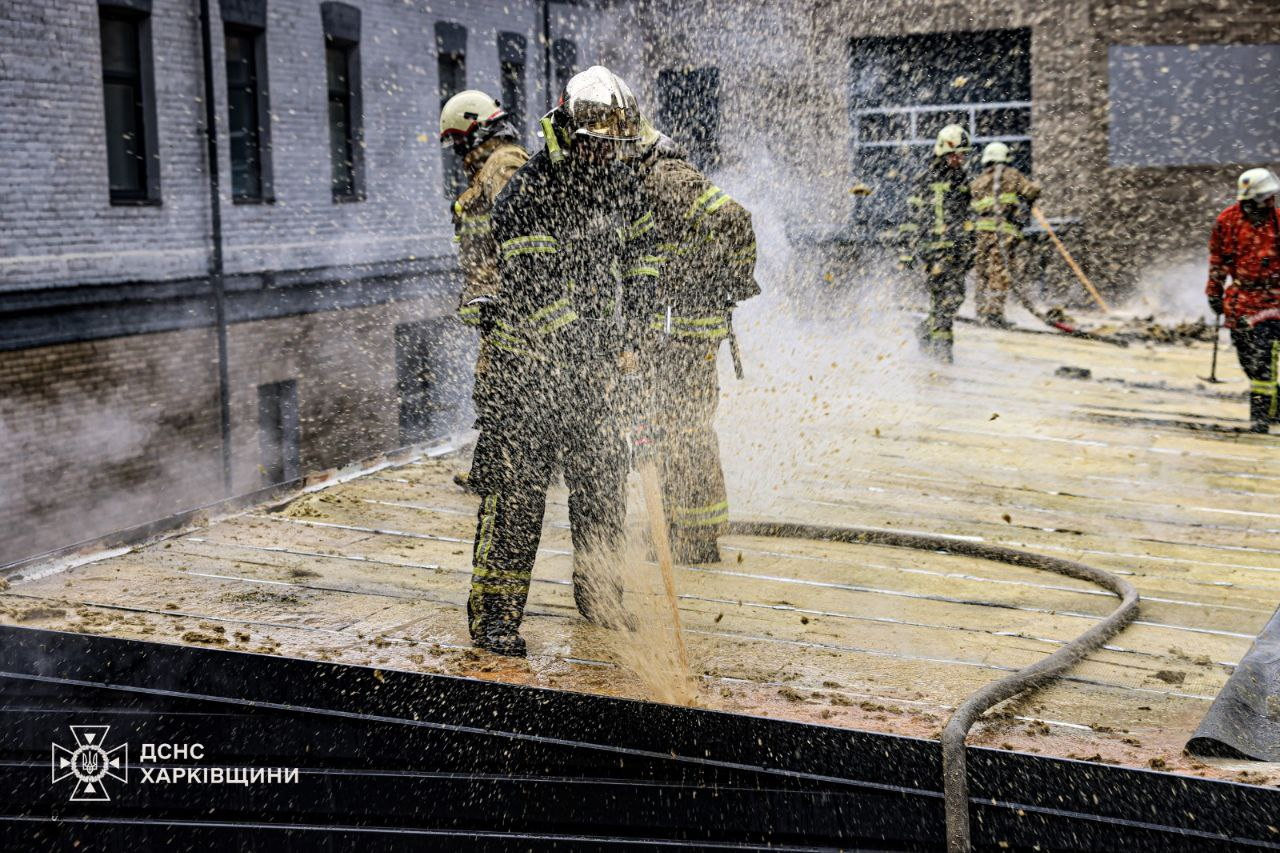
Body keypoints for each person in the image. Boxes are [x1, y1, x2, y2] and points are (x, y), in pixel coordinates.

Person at [463, 66, 657, 657]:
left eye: (616, 148)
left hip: (595, 369)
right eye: (598, 147)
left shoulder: (622, 182)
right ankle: (495, 618)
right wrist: (597, 357)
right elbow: (540, 295)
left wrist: (639, 333)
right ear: (572, 134)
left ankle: (601, 599)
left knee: (601, 490)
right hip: (528, 372)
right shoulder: (530, 193)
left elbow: (643, 257)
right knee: (517, 498)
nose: (607, 158)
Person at [635, 120, 758, 564]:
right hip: (677, 327)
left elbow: (734, 216)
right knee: (671, 427)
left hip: (685, 330)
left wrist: (734, 279)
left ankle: (696, 538)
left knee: (685, 429)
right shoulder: (654, 175)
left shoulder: (665, 176)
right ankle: (682, 527)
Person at [438, 91, 530, 490]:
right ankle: (495, 470)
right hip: (497, 304)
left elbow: (525, 235)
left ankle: (505, 473)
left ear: (475, 133)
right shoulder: (490, 168)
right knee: (496, 388)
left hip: (509, 305)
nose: (458, 153)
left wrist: (506, 294)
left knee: (498, 388)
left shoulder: (503, 164)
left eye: (459, 142)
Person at [1207, 167, 1280, 433]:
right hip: (1241, 300)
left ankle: (1261, 417)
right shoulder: (1227, 222)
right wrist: (1213, 291)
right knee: (1247, 357)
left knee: (1264, 357)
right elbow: (1218, 261)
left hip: (1274, 300)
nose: (1269, 202)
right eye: (1264, 197)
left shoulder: (1278, 220)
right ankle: (1276, 404)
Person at [898, 124, 976, 362]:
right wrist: (907, 253)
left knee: (950, 299)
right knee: (947, 298)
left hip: (956, 250)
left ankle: (929, 337)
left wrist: (970, 245)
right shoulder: (925, 179)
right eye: (956, 154)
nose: (960, 159)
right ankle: (943, 354)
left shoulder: (961, 180)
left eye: (963, 155)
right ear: (944, 151)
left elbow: (967, 215)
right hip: (934, 251)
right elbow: (910, 218)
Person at [969, 142, 1040, 327]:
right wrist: (1036, 188)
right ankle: (994, 314)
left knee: (982, 272)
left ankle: (981, 311)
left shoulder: (977, 182)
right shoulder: (1012, 176)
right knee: (999, 273)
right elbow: (1030, 191)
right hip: (1003, 233)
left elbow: (973, 205)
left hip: (982, 234)